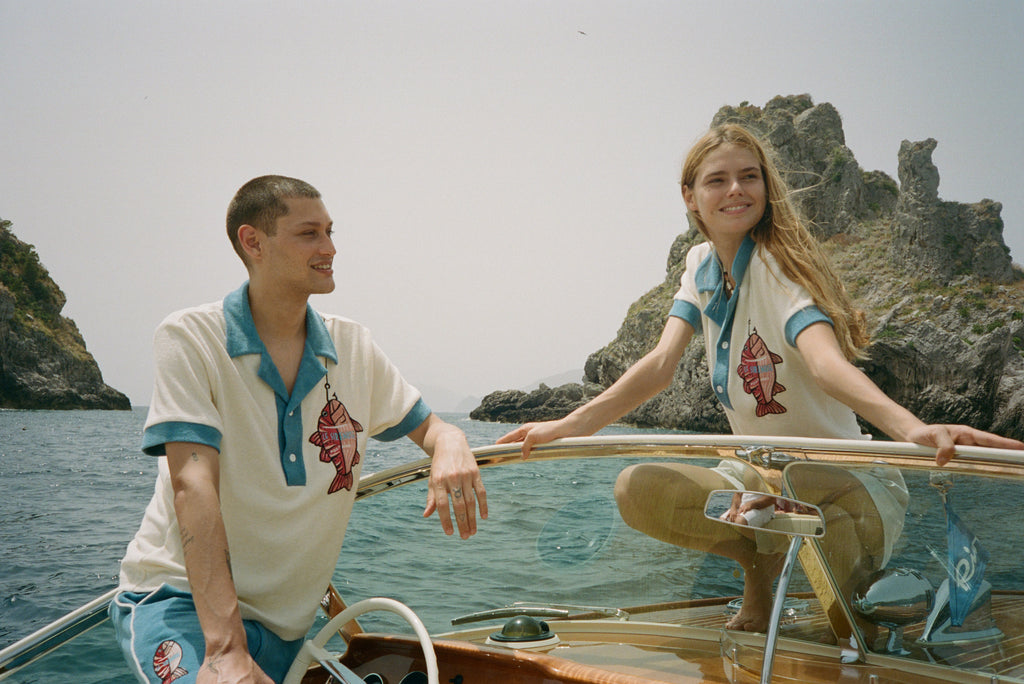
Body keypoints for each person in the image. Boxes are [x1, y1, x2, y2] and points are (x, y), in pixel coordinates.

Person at [497, 123, 1024, 634]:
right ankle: (758, 574)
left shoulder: (779, 267)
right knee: (637, 489)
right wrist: (564, 426)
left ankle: (848, 591)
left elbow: (825, 365)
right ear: (690, 197)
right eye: (717, 180)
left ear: (766, 188)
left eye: (750, 176)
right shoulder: (699, 264)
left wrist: (912, 430)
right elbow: (659, 366)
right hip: (762, 480)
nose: (736, 190)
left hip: (845, 485)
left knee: (846, 625)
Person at [110, 175, 488, 684]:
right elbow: (191, 484)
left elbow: (432, 428)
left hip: (292, 629)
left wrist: (452, 442)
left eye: (330, 231)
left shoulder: (353, 347)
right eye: (309, 233)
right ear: (253, 242)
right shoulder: (190, 338)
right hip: (182, 606)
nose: (330, 247)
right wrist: (224, 651)